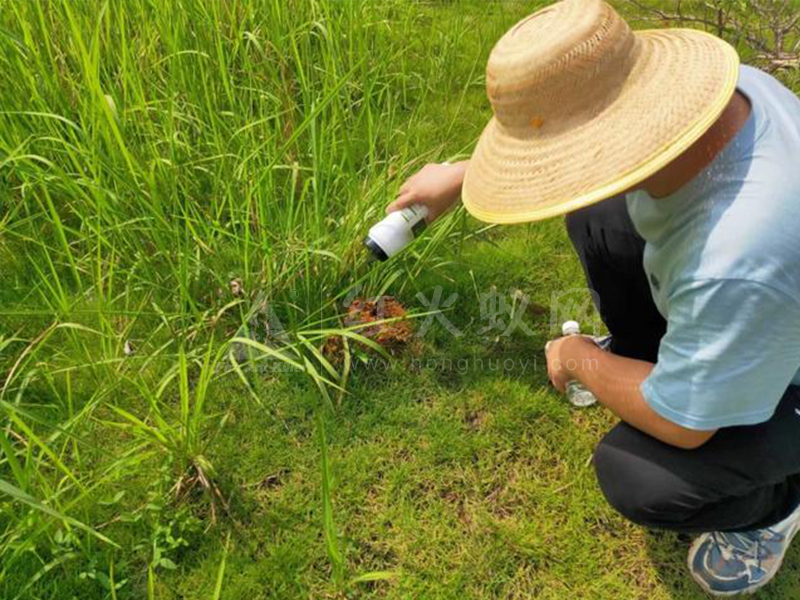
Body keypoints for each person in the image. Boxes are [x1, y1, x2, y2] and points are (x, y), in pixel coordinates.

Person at [385, 0, 800, 595]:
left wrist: (578, 357)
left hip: (786, 367)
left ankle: (775, 508)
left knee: (642, 476)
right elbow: (587, 140)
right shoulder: (723, 93)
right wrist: (462, 173)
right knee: (598, 211)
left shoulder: (735, 260)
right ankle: (666, 358)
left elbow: (684, 427)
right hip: (764, 305)